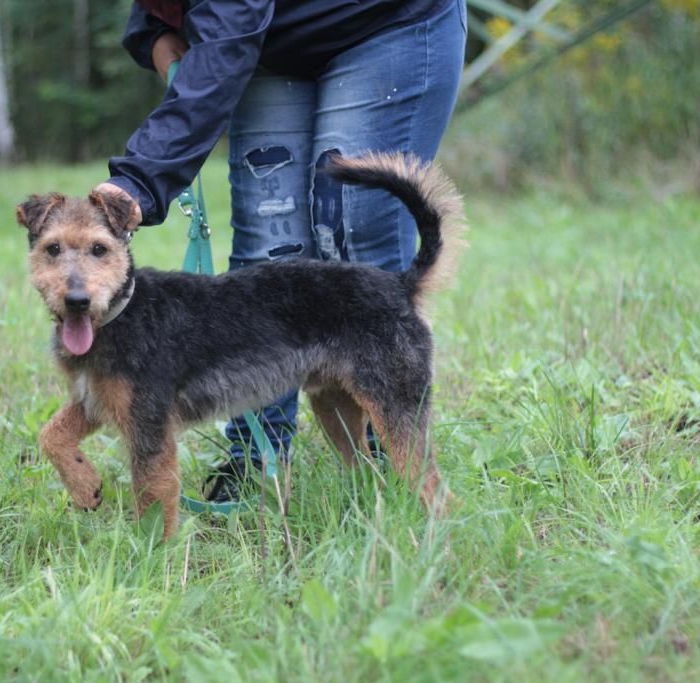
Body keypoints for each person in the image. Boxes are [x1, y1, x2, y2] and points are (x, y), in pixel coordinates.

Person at [93, 0, 467, 502]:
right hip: (269, 41)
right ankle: (255, 460)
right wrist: (154, 30)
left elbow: (230, 30)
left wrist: (140, 181)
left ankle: (394, 476)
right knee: (268, 251)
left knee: (353, 232)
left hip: (384, 21)